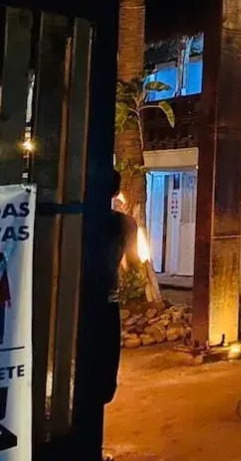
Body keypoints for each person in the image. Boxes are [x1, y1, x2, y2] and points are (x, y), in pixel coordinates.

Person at [97, 171, 142, 407]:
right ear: (116, 192)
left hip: (74, 298)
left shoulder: (79, 220)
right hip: (107, 297)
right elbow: (133, 261)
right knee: (104, 364)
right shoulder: (126, 223)